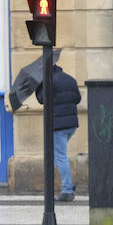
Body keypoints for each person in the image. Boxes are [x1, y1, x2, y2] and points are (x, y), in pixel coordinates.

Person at [36, 63, 81, 202]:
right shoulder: (70, 79)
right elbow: (77, 99)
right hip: (71, 125)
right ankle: (68, 185)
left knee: (60, 157)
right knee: (57, 155)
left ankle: (67, 190)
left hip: (58, 125)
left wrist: (39, 86)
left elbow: (42, 100)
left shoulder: (49, 82)